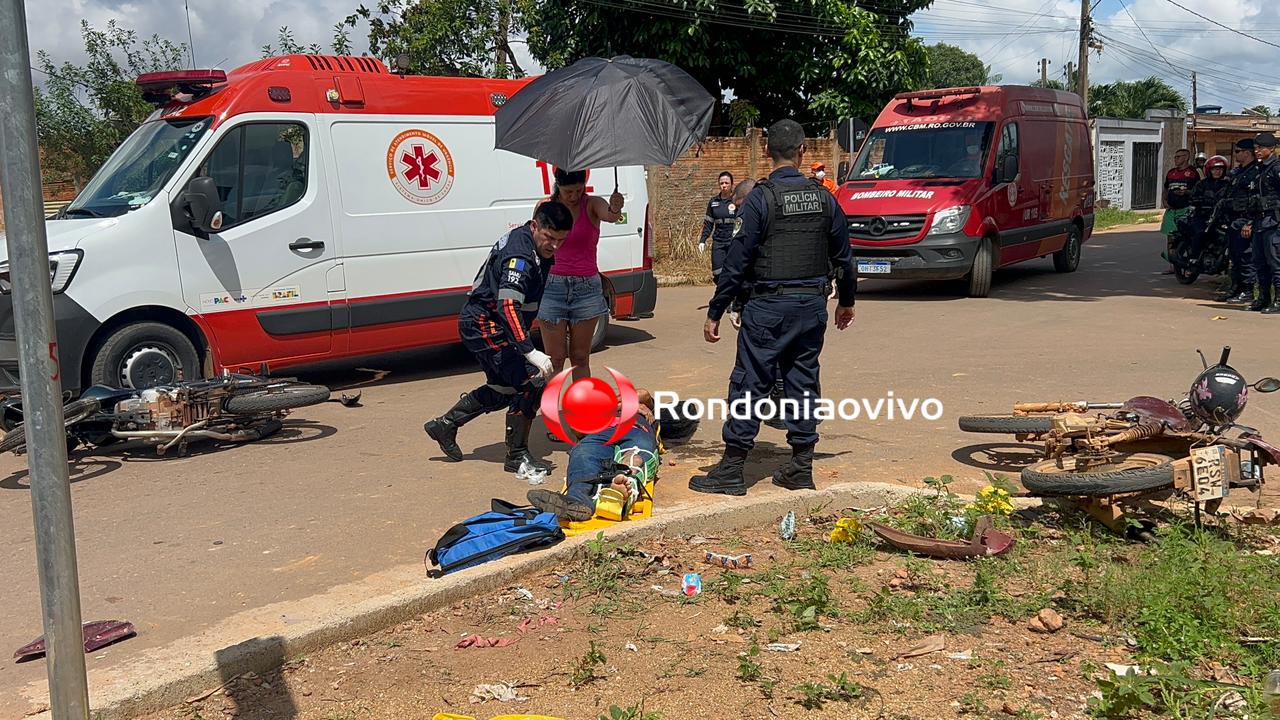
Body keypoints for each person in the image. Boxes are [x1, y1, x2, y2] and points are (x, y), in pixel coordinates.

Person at [690, 119, 856, 497]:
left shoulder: (761, 200)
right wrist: (846, 302)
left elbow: (737, 262)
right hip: (812, 306)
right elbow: (845, 259)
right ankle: (800, 466)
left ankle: (732, 470)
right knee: (802, 381)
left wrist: (716, 310)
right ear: (802, 153)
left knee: (750, 384)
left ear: (766, 152)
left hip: (767, 308)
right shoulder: (825, 198)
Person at [423, 201, 573, 472]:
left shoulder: (533, 245)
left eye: (561, 240)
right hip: (484, 325)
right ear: (535, 225)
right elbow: (508, 305)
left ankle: (444, 425)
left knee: (503, 388)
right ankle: (516, 456)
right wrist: (530, 350)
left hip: (491, 324)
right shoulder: (521, 256)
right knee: (531, 382)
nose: (554, 246)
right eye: (550, 238)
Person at [537, 169, 624, 388]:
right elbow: (536, 239)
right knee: (554, 360)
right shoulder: (545, 206)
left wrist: (616, 207)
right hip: (552, 286)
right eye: (568, 192)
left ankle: (581, 410)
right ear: (557, 185)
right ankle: (551, 413)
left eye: (579, 190)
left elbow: (611, 216)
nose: (574, 196)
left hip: (586, 289)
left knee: (580, 357)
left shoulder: (592, 204)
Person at [526, 389, 661, 521]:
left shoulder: (643, 407)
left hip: (635, 429)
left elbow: (643, 394)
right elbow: (577, 429)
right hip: (599, 434)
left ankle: (622, 488)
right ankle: (578, 502)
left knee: (634, 457)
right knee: (583, 455)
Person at [1219, 139, 1261, 304]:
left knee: (1245, 256)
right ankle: (1236, 288)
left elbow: (1254, 200)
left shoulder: (1255, 172)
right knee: (1235, 257)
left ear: (1247, 152)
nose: (1235, 154)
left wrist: (1249, 222)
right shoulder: (1238, 172)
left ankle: (1248, 290)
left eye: (1237, 151)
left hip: (1245, 219)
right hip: (1233, 220)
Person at [1243, 132, 1280, 313]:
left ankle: (1278, 301)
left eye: (1261, 148)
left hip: (1274, 222)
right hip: (1259, 221)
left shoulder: (1276, 168)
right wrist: (1249, 221)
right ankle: (1263, 298)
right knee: (1260, 262)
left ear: (1272, 149)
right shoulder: (1259, 169)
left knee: (1275, 263)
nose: (1257, 151)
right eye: (1256, 148)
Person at [1180, 155, 1231, 265]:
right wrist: (1199, 201)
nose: (1217, 171)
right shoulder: (1202, 184)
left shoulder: (1228, 185)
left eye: (1220, 169)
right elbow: (1193, 197)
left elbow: (1232, 198)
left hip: (1221, 217)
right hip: (1203, 215)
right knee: (1200, 232)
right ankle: (1193, 258)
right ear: (1209, 170)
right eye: (1215, 169)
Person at [1162, 149, 1199, 271]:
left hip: (1186, 209)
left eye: (1179, 157)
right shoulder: (1171, 173)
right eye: (1175, 157)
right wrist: (1165, 201)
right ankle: (1172, 265)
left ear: (1186, 157)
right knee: (1170, 237)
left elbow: (1199, 189)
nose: (1176, 159)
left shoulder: (1193, 172)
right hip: (1172, 210)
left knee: (1186, 236)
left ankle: (1188, 263)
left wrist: (1187, 192)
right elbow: (1166, 188)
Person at [700, 171, 737, 278]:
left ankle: (732, 293)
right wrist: (703, 240)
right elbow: (708, 223)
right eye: (722, 183)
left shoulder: (736, 201)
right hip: (719, 242)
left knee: (734, 272)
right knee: (717, 272)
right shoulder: (713, 202)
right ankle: (722, 290)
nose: (724, 186)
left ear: (731, 184)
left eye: (726, 183)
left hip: (733, 242)